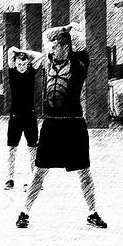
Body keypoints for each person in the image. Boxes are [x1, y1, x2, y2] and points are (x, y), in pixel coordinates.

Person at [15, 23, 107, 229]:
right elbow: (46, 35)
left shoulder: (79, 63)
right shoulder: (48, 61)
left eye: (57, 46)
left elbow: (81, 41)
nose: (52, 48)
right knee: (39, 172)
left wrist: (71, 29)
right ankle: (24, 211)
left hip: (74, 125)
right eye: (53, 46)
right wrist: (62, 28)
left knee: (84, 172)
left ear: (67, 47)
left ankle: (92, 213)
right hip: (51, 125)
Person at [4, 46, 44, 190]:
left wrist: (25, 53)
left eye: (24, 64)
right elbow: (10, 51)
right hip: (15, 116)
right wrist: (17, 53)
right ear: (15, 64)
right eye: (19, 64)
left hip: (30, 115)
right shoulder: (12, 72)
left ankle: (35, 179)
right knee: (12, 148)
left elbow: (40, 55)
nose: (21, 67)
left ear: (27, 64)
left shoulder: (31, 72)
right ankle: (9, 178)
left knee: (33, 147)